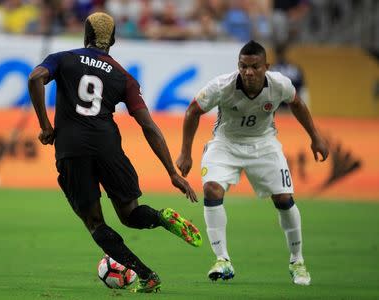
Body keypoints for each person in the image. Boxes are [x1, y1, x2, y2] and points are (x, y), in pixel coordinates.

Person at [27, 12, 202, 293]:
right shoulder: (123, 76)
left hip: (72, 150)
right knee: (131, 214)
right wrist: (172, 172)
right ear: (114, 41)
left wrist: (46, 126)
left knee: (95, 223)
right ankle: (161, 217)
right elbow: (149, 125)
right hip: (108, 147)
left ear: (85, 36)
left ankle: (147, 274)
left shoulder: (63, 58)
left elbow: (35, 78)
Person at [176, 40, 328, 286]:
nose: (248, 72)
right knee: (211, 189)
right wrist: (185, 152)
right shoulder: (222, 86)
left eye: (255, 67)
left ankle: (297, 261)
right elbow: (193, 110)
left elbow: (298, 104)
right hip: (226, 143)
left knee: (284, 199)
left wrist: (316, 137)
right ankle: (222, 259)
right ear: (238, 65)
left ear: (266, 66)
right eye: (243, 66)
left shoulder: (279, 84)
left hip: (264, 143)